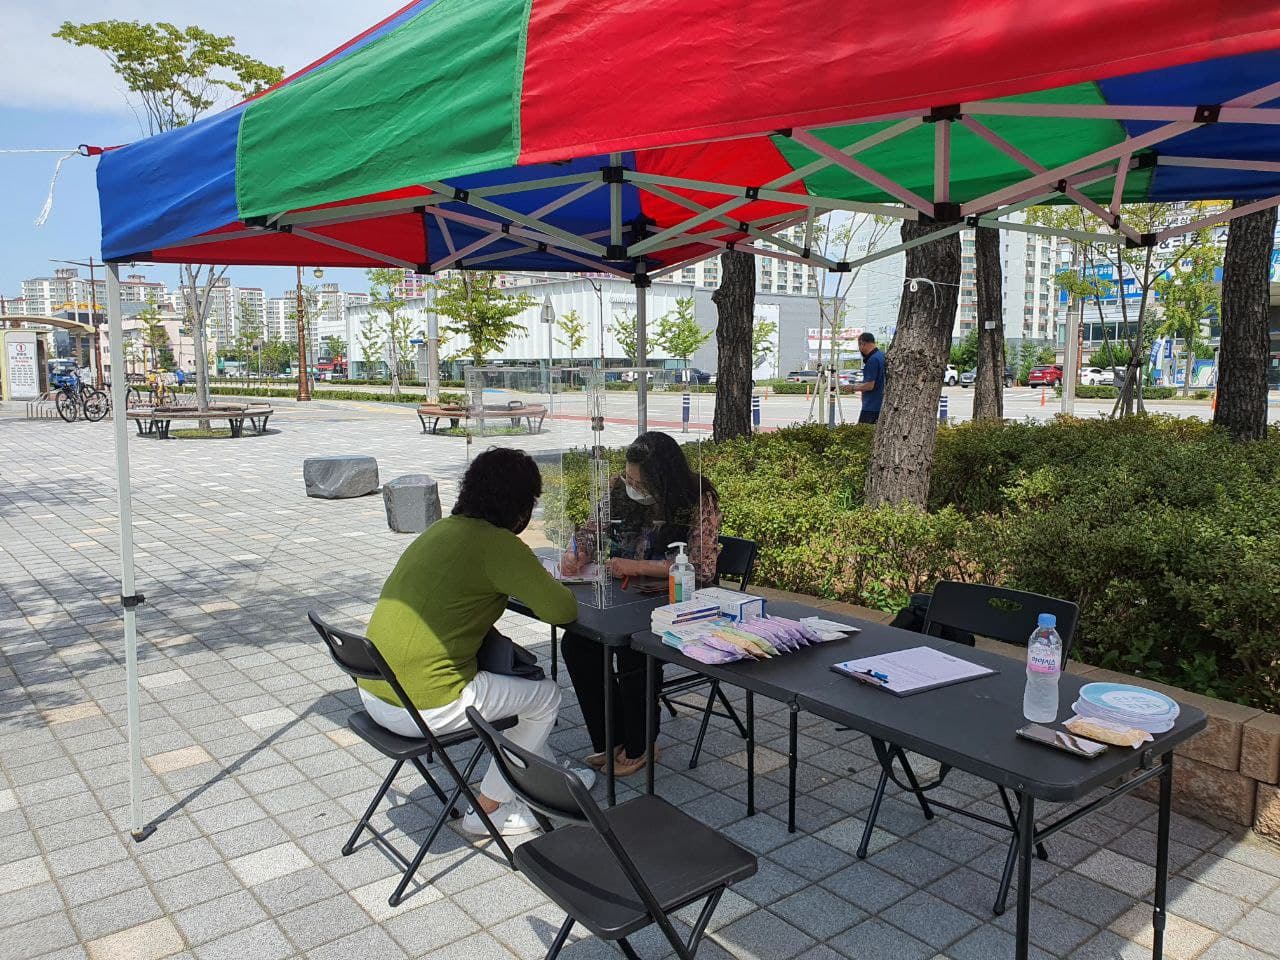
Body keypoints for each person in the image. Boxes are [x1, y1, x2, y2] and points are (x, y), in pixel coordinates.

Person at [358, 447, 587, 837]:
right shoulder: (497, 545)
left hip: (375, 691)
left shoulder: (440, 531)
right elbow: (561, 609)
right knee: (545, 697)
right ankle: (488, 810)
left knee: (520, 691)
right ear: (521, 506)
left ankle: (545, 778)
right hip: (425, 704)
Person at [559, 431, 722, 776]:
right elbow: (591, 530)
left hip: (674, 597)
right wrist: (577, 552)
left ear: (662, 477)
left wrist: (638, 566)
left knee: (633, 649)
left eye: (640, 481)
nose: (632, 485)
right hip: (624, 592)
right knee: (577, 644)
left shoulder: (696, 497)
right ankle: (609, 739)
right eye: (629, 477)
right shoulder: (619, 489)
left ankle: (640, 745)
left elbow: (702, 567)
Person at [851, 331, 885, 425]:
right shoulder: (882, 356)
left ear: (862, 344)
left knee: (862, 432)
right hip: (881, 405)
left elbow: (869, 386)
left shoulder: (872, 360)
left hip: (871, 407)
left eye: (859, 345)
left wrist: (852, 388)